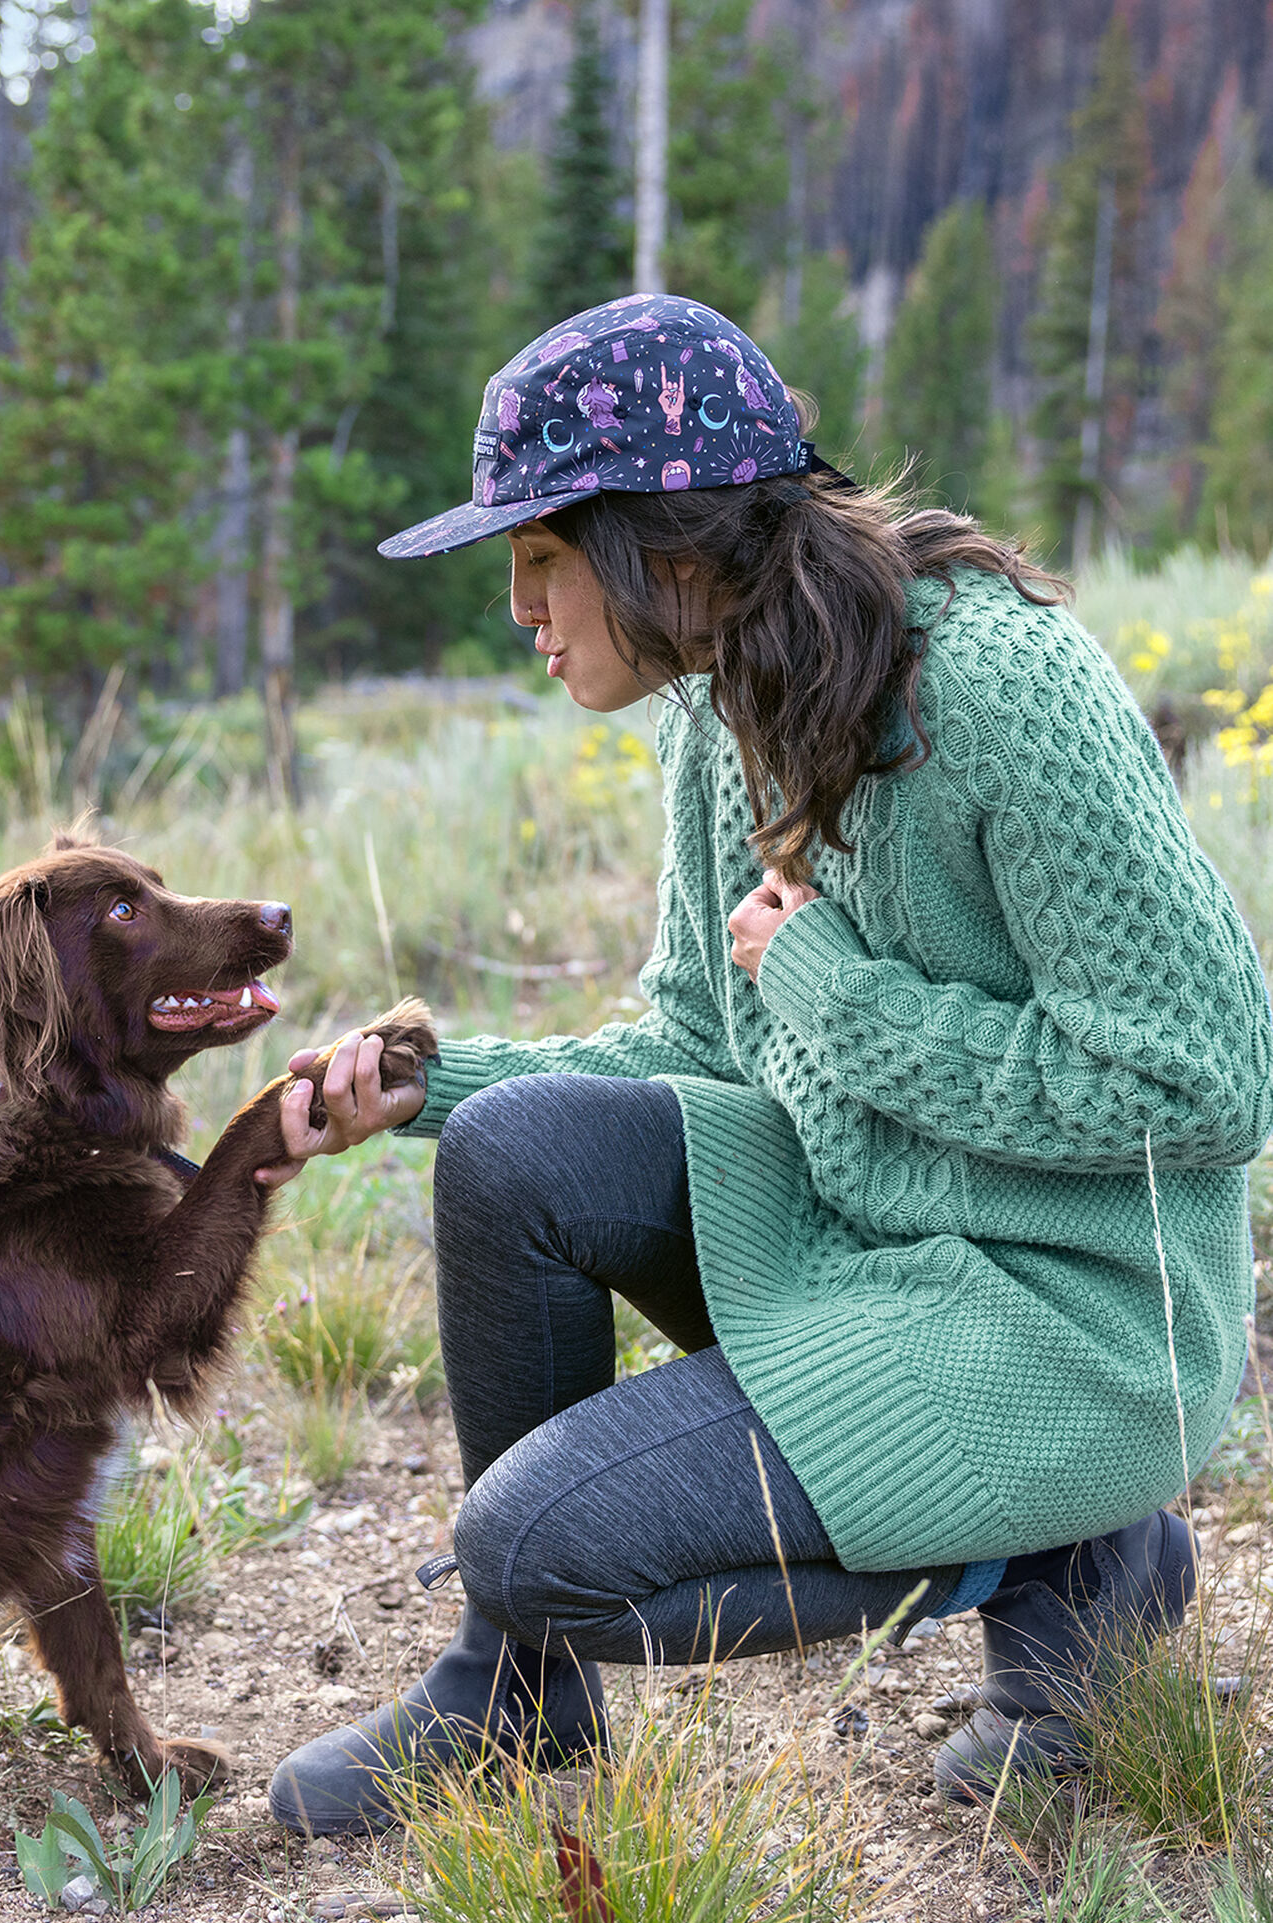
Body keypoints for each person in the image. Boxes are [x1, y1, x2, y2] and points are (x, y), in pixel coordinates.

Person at [256, 295, 1273, 1838]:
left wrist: (841, 995)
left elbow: (1205, 1084)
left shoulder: (1003, 688)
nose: (521, 610)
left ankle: (1081, 1556)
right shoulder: (714, 704)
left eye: (539, 560)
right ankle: (514, 1701)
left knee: (534, 1545)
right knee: (519, 1150)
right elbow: (693, 1042)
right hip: (878, 1249)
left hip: (1073, 1316)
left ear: (663, 548)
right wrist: (432, 1085)